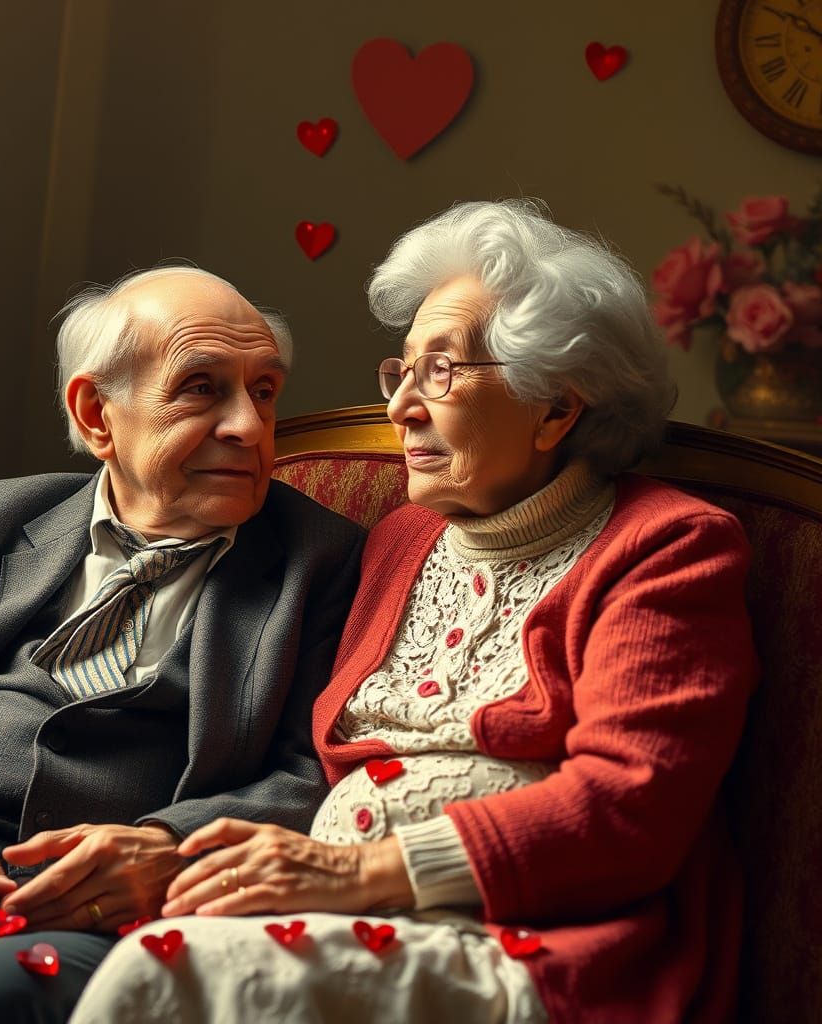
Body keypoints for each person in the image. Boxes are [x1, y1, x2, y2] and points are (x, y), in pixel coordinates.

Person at [71, 201, 758, 1024]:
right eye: (401, 372)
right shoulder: (399, 538)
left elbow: (629, 808)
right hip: (334, 918)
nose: (402, 409)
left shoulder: (667, 546)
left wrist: (353, 873)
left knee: (157, 977)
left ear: (555, 409)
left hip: (526, 945)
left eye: (442, 372)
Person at [0, 266, 365, 1022]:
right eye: (202, 388)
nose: (250, 428)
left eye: (263, 390)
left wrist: (168, 846)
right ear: (97, 412)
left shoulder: (325, 559)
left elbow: (314, 777)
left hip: (96, 910)